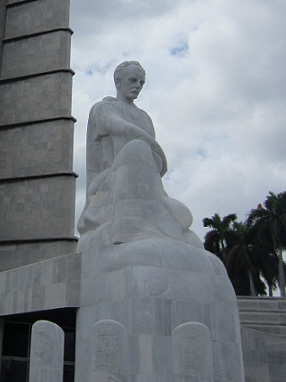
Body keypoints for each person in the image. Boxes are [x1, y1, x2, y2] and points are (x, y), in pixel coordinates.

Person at [78, 61, 200, 247]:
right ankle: (125, 228)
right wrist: (147, 143)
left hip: (147, 181)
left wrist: (151, 150)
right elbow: (115, 124)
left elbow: (153, 159)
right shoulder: (104, 107)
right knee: (137, 147)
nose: (137, 86)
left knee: (184, 226)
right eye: (133, 80)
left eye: (141, 83)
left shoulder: (144, 117)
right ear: (118, 81)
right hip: (111, 176)